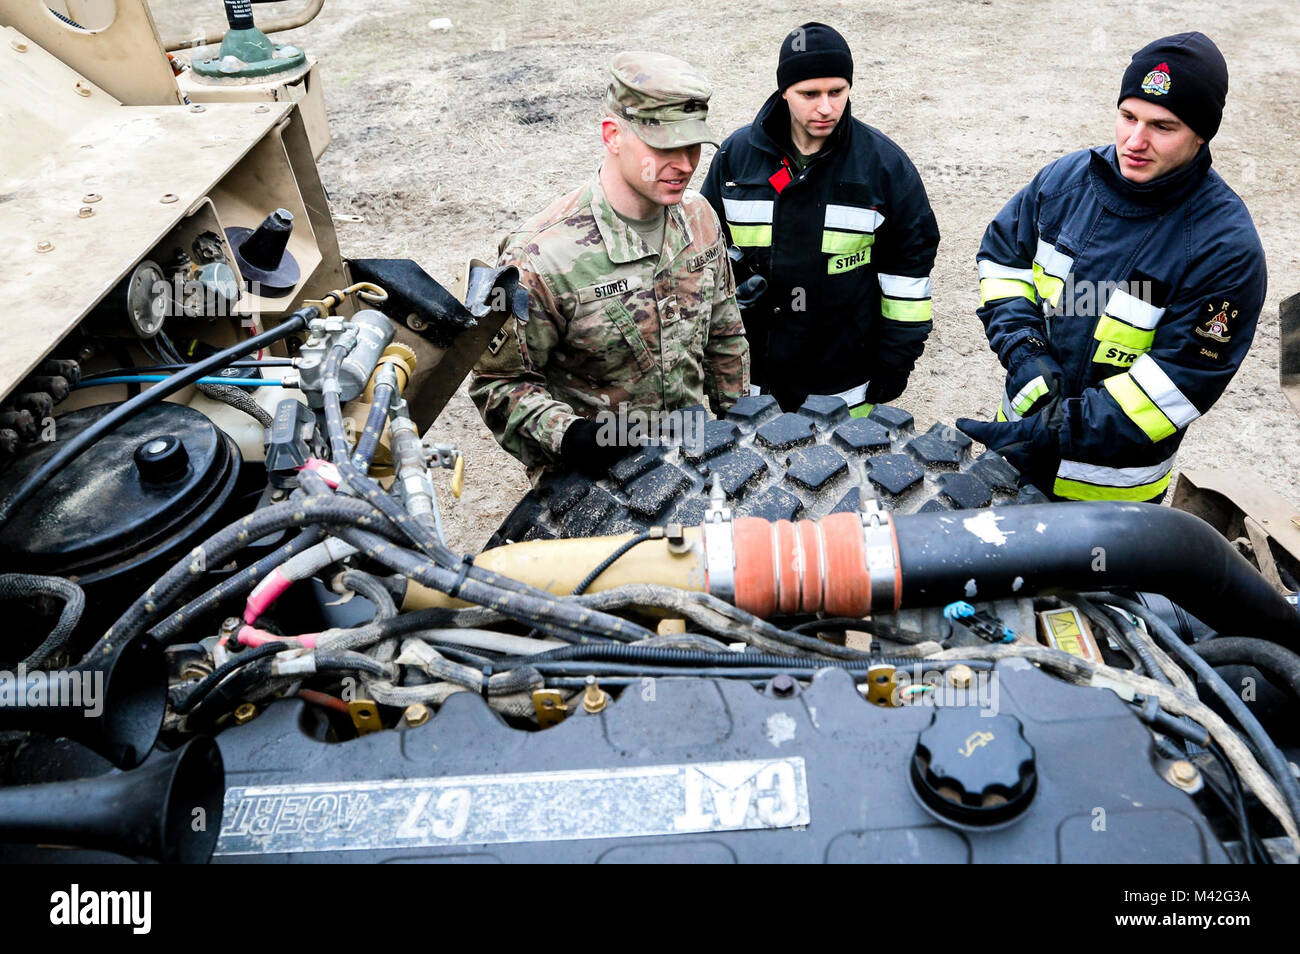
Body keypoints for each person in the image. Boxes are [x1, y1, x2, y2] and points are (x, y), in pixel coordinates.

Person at [958, 33, 1266, 503]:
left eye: (1163, 127)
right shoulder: (1063, 181)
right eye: (1128, 117)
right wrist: (1026, 351)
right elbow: (1003, 262)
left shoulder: (1225, 249)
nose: (1134, 141)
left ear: (1202, 134)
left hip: (1109, 496)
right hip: (1014, 453)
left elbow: (1180, 381)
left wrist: (1060, 428)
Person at [470, 51, 749, 477]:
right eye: (665, 146)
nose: (686, 164)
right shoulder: (540, 258)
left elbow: (725, 334)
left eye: (692, 145)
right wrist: (572, 436)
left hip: (692, 463)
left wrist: (740, 429)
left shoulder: (700, 218)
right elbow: (499, 385)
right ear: (612, 136)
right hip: (593, 481)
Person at [701, 22, 939, 414]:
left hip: (844, 378)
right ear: (783, 92)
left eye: (837, 91)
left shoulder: (884, 167)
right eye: (809, 93)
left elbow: (908, 278)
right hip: (755, 374)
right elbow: (707, 248)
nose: (826, 107)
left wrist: (897, 358)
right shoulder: (735, 157)